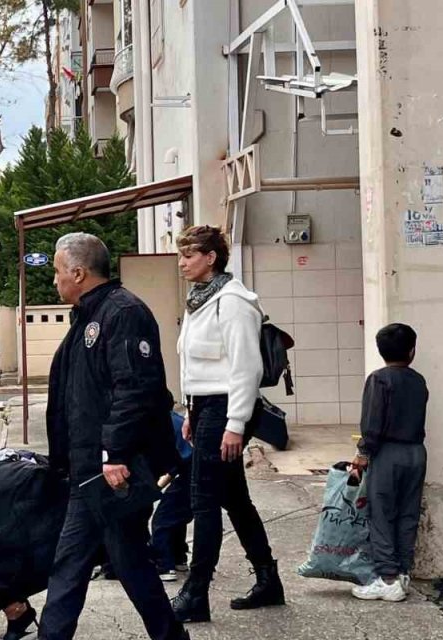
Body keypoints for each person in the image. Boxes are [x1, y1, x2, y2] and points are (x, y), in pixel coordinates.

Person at [36, 233, 186, 640]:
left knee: (72, 563)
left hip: (110, 469)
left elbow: (135, 389)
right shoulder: (89, 315)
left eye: (56, 271)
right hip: (90, 466)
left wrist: (115, 453)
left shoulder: (123, 313)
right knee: (129, 561)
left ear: (79, 273)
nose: (54, 280)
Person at [171, 225, 283, 623]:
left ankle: (195, 593)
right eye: (180, 255)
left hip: (226, 407)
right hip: (205, 407)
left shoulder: (232, 301)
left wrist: (235, 424)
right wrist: (189, 410)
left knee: (203, 499)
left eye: (189, 255)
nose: (182, 263)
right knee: (233, 497)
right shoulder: (199, 300)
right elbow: (195, 364)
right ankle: (268, 579)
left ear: (211, 258)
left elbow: (245, 368)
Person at [350, 323, 428, 603]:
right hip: (416, 452)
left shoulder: (379, 379)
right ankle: (403, 572)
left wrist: (362, 454)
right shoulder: (418, 380)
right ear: (412, 351)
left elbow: (373, 422)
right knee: (408, 514)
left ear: (380, 351)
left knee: (381, 514)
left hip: (387, 454)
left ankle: (387, 578)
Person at [151, 410, 193, 582]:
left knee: (162, 520)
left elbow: (174, 466)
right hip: (193, 467)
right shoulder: (174, 419)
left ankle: (164, 566)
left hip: (190, 470)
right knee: (177, 516)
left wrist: (154, 489)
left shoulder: (159, 423)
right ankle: (178, 558)